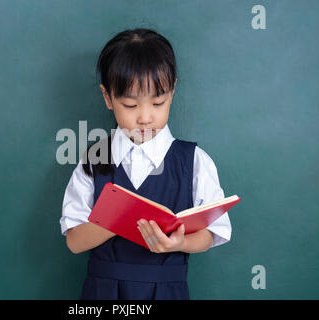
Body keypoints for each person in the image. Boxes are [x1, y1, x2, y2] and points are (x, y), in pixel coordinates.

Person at [59, 28, 231, 300]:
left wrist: (181, 242)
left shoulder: (194, 161)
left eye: (158, 102)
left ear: (172, 91)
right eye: (130, 105)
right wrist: (119, 218)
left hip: (167, 290)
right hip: (104, 293)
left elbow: (214, 232)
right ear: (108, 98)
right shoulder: (93, 160)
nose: (145, 118)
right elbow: (74, 241)